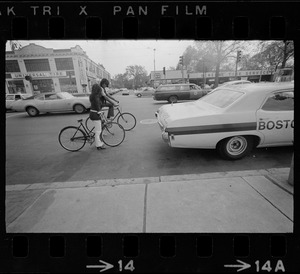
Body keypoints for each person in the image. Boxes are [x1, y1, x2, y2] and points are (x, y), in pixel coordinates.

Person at [89, 83, 106, 150]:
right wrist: (100, 112)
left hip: (93, 113)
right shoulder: (96, 97)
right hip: (95, 114)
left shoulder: (92, 95)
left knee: (98, 130)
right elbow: (97, 107)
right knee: (98, 131)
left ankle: (98, 143)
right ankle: (98, 145)